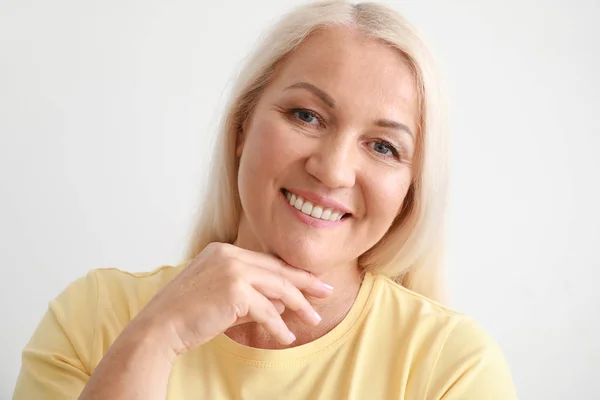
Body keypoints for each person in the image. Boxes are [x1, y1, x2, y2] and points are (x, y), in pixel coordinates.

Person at [14, 1, 517, 398]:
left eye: (383, 147)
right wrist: (155, 338)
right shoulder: (94, 316)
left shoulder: (453, 368)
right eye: (306, 116)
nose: (333, 169)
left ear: (410, 193)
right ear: (242, 127)